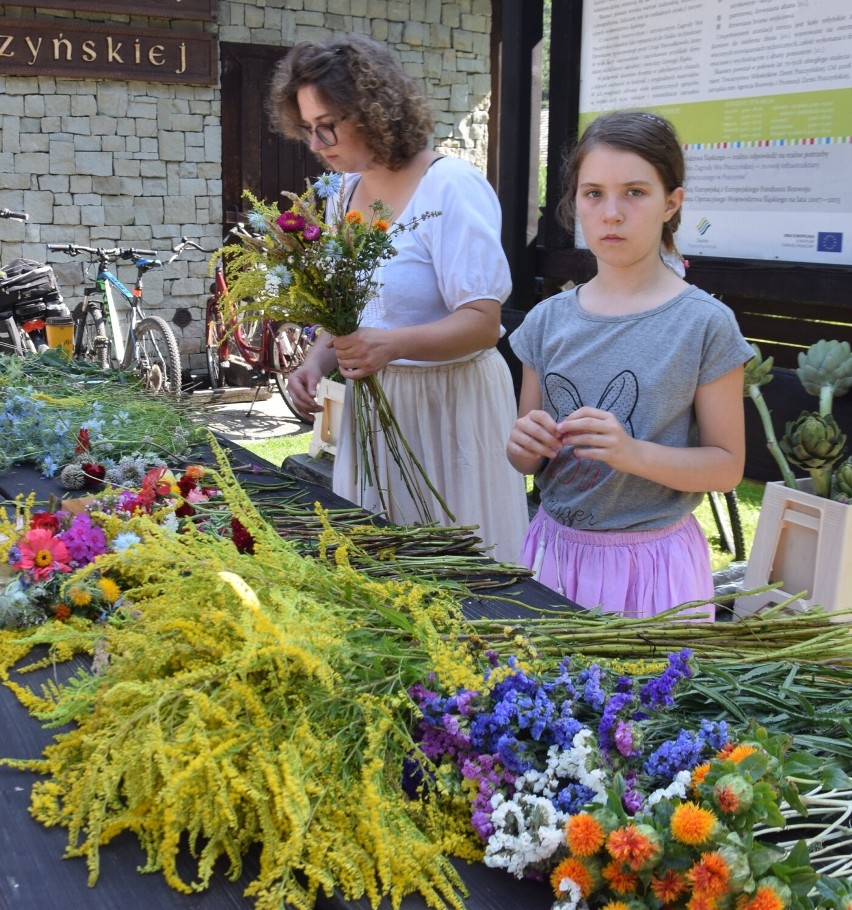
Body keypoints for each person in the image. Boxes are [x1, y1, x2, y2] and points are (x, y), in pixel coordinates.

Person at [268, 34, 529, 564]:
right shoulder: (344, 193)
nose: (316, 145)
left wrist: (390, 346)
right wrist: (316, 360)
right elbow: (353, 308)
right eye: (306, 131)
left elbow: (482, 324)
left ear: (371, 110)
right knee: (383, 569)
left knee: (463, 570)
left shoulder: (451, 187)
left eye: (327, 127)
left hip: (453, 406)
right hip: (379, 409)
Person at [507, 111, 754, 619]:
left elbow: (727, 468)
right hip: (555, 553)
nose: (611, 213)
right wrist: (522, 445)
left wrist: (630, 452)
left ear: (671, 203)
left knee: (649, 696)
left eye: (635, 192)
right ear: (574, 203)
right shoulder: (547, 321)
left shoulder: (703, 324)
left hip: (654, 565)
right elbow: (528, 458)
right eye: (593, 193)